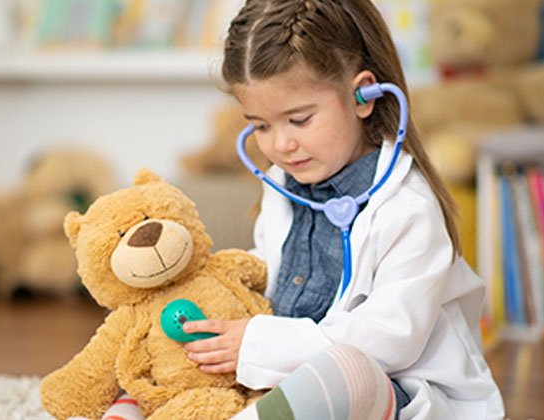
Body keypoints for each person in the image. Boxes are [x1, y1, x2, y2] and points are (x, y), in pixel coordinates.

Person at [182, 1, 505, 419]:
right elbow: (270, 278)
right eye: (261, 125)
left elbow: (390, 339)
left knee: (348, 369)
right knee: (163, 349)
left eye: (299, 120)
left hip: (397, 394)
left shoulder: (408, 207)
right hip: (296, 385)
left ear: (362, 96)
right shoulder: (284, 184)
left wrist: (260, 343)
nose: (280, 145)